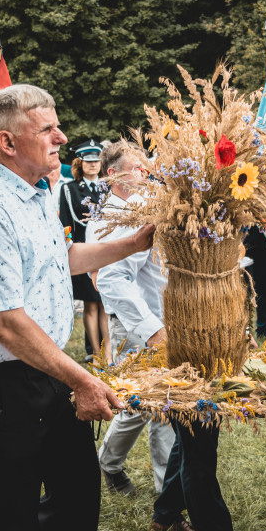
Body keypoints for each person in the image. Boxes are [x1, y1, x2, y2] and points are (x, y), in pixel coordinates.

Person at [0, 84, 154, 531]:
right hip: (0, 384)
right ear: (8, 142)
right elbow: (5, 324)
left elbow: (61, 258)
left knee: (77, 498)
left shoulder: (34, 194)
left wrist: (133, 243)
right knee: (15, 520)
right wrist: (82, 379)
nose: (62, 137)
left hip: (46, 368)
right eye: (47, 130)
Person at [88, 141, 177, 500]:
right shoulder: (109, 217)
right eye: (138, 168)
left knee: (149, 401)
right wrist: (151, 328)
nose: (146, 173)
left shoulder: (145, 206)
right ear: (113, 174)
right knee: (152, 402)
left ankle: (113, 464)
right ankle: (166, 495)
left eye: (146, 166)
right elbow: (107, 278)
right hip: (135, 321)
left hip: (159, 316)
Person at [59, 139, 110, 364]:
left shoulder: (108, 186)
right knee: (91, 304)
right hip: (84, 252)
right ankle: (96, 354)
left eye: (96, 161)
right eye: (88, 161)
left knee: (105, 304)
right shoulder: (69, 189)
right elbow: (67, 222)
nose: (93, 164)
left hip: (106, 251)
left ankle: (108, 353)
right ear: (80, 163)